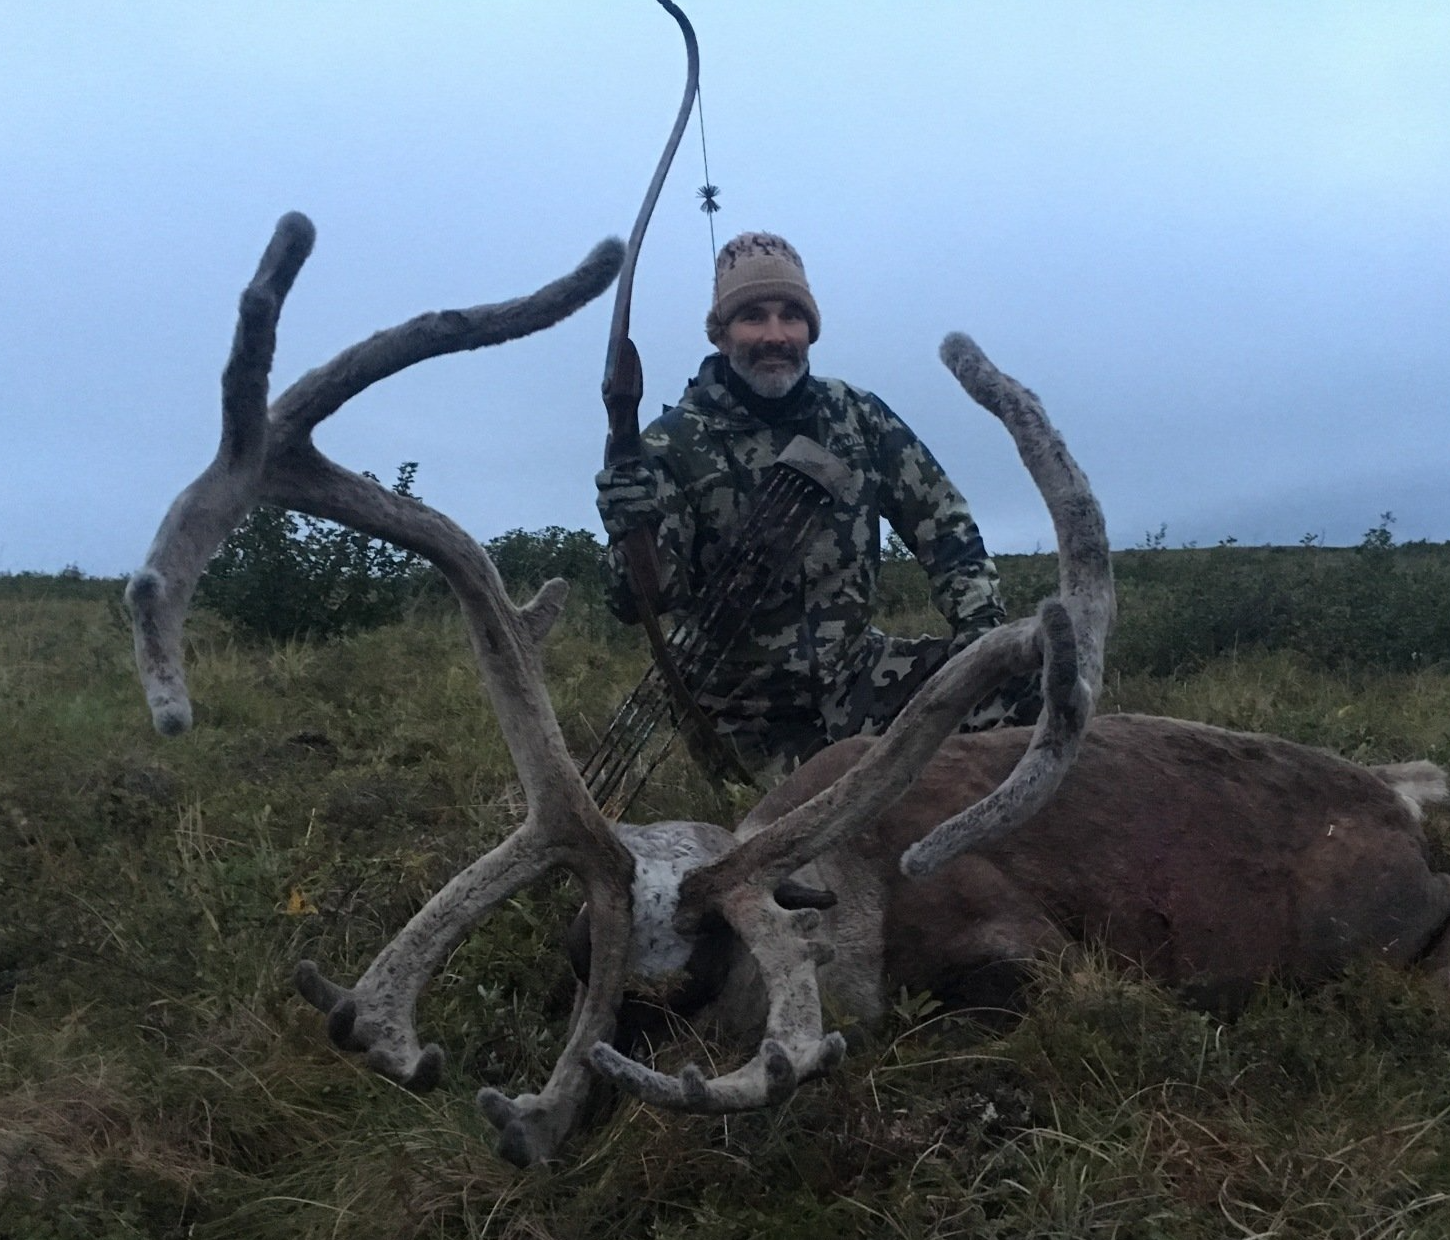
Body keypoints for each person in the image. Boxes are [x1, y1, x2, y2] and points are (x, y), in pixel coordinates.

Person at [595, 232, 1038, 782]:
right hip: (746, 721)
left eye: (791, 317)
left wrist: (981, 633)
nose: (776, 336)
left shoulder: (859, 417)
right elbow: (641, 599)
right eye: (753, 316)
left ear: (811, 330)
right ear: (721, 333)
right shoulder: (671, 445)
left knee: (1030, 680)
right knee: (823, 836)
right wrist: (630, 523)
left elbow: (943, 524)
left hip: (860, 678)